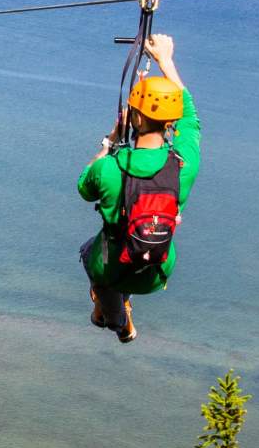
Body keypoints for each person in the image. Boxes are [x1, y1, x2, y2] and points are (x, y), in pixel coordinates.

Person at [78, 33, 200, 343]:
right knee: (132, 239)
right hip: (157, 269)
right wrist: (166, 62)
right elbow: (192, 118)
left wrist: (109, 141)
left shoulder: (111, 167)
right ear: (170, 121)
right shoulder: (183, 162)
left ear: (133, 117)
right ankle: (113, 308)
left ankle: (118, 322)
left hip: (116, 268)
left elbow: (84, 188)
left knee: (91, 252)